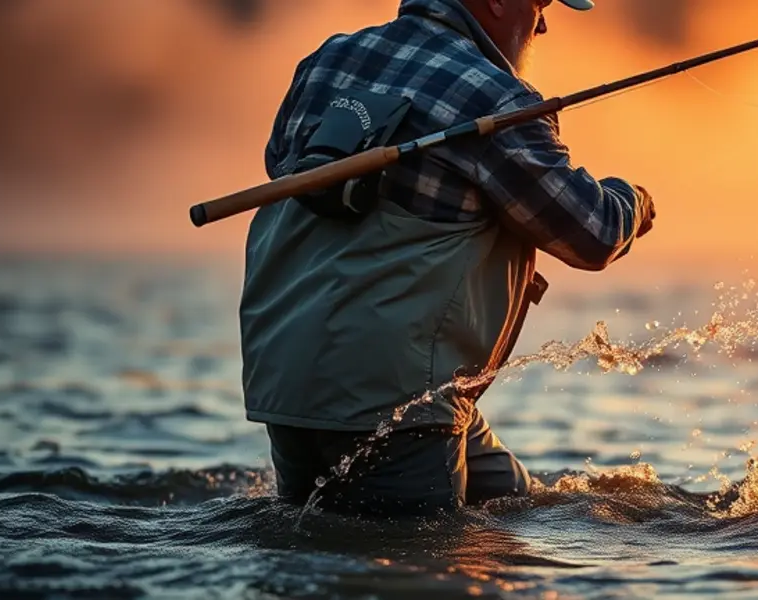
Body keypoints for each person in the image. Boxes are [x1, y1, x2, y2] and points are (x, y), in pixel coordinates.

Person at [239, 0, 656, 518]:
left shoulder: (324, 62)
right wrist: (632, 199)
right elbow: (592, 233)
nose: (543, 23)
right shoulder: (495, 98)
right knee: (421, 566)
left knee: (522, 509)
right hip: (397, 406)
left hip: (289, 387)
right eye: (540, 3)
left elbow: (292, 181)